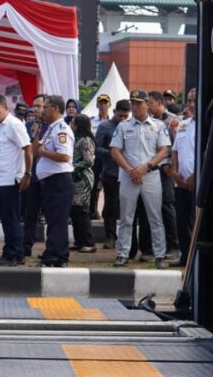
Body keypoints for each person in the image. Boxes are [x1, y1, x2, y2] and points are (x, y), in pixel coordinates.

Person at [111, 90, 171, 269]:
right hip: (129, 176)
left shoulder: (158, 125)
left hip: (150, 175)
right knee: (126, 217)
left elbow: (164, 150)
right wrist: (131, 170)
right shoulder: (123, 126)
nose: (134, 106)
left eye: (138, 103)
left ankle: (159, 255)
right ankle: (122, 253)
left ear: (147, 104)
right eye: (133, 103)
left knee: (155, 217)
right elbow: (115, 151)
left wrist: (147, 166)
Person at [0, 94, 32, 266]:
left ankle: (12, 254)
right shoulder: (1, 126)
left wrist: (27, 174)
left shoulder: (14, 124)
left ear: (6, 108)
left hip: (11, 179)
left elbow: (28, 149)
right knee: (7, 218)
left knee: (11, 218)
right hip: (1, 180)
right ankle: (16, 252)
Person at [34, 95, 74, 267]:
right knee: (54, 220)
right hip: (51, 182)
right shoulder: (50, 129)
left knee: (57, 221)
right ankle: (58, 255)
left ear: (56, 109)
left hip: (59, 181)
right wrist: (36, 133)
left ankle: (53, 257)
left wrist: (44, 153)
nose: (43, 111)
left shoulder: (62, 130)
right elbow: (36, 150)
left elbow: (64, 156)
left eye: (46, 107)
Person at [148, 91, 182, 260]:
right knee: (154, 207)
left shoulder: (172, 121)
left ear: (159, 102)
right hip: (151, 167)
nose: (148, 106)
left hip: (166, 168)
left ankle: (174, 245)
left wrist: (172, 166)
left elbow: (177, 146)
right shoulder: (149, 121)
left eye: (150, 103)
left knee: (167, 205)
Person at [95, 100, 129, 249]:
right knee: (111, 206)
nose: (123, 119)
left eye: (125, 116)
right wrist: (111, 154)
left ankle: (127, 239)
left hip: (128, 171)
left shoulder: (131, 126)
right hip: (111, 172)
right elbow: (96, 148)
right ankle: (110, 236)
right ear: (114, 111)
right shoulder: (105, 127)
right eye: (120, 115)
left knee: (126, 207)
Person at [171, 95, 197, 267]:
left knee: (195, 222)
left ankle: (196, 258)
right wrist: (174, 172)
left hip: (197, 182)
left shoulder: (207, 125)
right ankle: (185, 256)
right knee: (181, 222)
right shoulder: (183, 124)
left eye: (195, 100)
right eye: (189, 101)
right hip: (180, 182)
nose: (191, 104)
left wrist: (195, 176)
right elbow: (175, 151)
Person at [22, 94, 48, 257]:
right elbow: (28, 150)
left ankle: (50, 248)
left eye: (39, 106)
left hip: (49, 176)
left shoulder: (54, 126)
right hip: (33, 175)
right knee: (30, 213)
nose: (35, 109)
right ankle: (26, 246)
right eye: (34, 106)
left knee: (50, 214)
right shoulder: (29, 125)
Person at [70, 114, 97, 253]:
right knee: (75, 210)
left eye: (73, 123)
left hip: (83, 178)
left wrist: (72, 167)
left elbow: (88, 161)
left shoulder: (85, 140)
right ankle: (79, 241)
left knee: (82, 210)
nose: (71, 125)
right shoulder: (76, 139)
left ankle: (89, 242)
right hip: (75, 178)